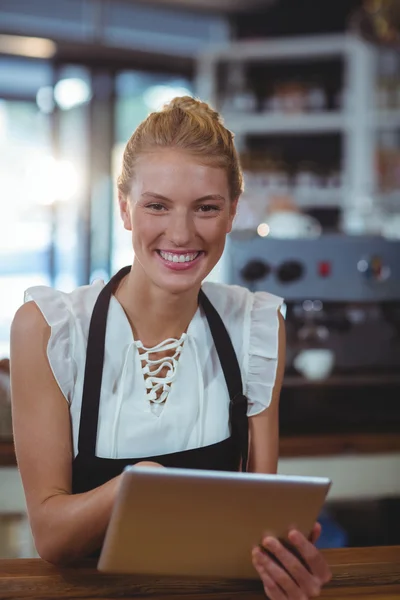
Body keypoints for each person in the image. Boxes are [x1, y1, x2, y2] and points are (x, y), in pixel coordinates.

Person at [10, 96, 332, 598]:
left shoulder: (256, 326)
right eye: (157, 205)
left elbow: (257, 525)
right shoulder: (51, 328)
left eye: (206, 208)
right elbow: (51, 537)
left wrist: (284, 567)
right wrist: (139, 483)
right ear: (124, 209)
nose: (181, 234)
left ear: (231, 214)